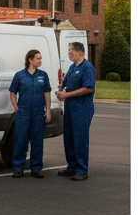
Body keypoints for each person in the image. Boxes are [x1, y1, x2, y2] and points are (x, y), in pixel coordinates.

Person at [55, 40, 96, 181]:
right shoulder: (72, 68)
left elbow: (88, 88)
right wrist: (61, 92)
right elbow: (65, 85)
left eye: (71, 50)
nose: (69, 53)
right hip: (70, 108)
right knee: (69, 137)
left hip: (82, 109)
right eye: (69, 51)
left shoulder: (87, 68)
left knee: (80, 138)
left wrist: (67, 95)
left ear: (81, 52)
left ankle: (82, 169)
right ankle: (72, 166)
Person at [8, 48, 51, 178]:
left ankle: (36, 168)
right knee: (20, 140)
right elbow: (12, 92)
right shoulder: (20, 75)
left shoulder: (43, 75)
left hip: (38, 112)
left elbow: (47, 93)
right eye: (38, 58)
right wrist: (16, 108)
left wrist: (48, 110)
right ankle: (18, 168)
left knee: (37, 141)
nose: (40, 61)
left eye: (41, 58)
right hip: (24, 112)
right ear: (30, 59)